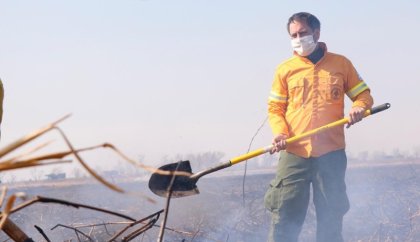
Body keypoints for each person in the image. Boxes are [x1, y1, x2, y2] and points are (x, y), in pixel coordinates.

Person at [264, 12, 373, 242]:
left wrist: (359, 107)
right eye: (293, 35)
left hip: (331, 154)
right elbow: (275, 109)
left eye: (302, 33)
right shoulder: (285, 70)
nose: (298, 38)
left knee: (331, 219)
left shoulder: (341, 64)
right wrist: (280, 133)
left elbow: (363, 94)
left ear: (316, 32)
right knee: (283, 217)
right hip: (294, 153)